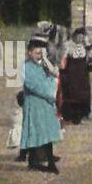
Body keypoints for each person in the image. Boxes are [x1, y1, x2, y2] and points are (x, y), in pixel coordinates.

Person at [20, 37, 62, 173]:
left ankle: (44, 161)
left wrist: (46, 61)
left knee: (46, 132)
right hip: (34, 103)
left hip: (45, 104)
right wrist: (51, 92)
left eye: (41, 54)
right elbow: (34, 86)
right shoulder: (26, 67)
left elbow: (55, 76)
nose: (39, 56)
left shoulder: (43, 66)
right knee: (36, 131)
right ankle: (37, 161)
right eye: (37, 53)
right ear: (29, 52)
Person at [56, 28, 92, 125]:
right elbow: (63, 58)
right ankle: (69, 116)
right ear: (75, 36)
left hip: (82, 73)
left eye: (83, 36)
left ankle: (80, 116)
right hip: (71, 72)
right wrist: (62, 70)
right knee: (72, 93)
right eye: (79, 36)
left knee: (82, 94)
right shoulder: (67, 45)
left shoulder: (84, 46)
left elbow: (90, 58)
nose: (81, 38)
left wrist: (88, 46)